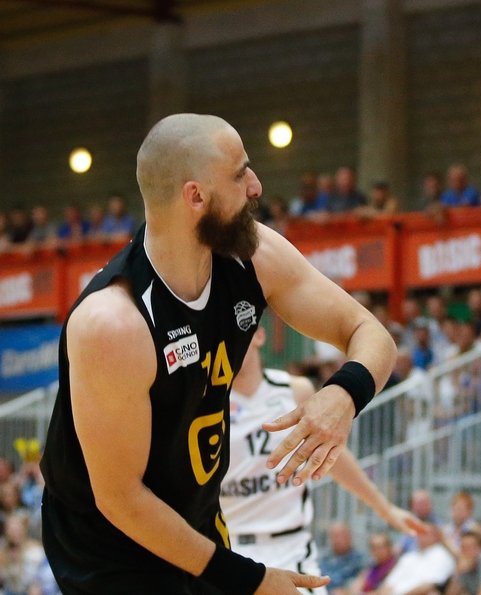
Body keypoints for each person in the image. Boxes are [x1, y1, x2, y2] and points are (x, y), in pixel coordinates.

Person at [39, 113, 398, 595]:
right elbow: (121, 500)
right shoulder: (114, 324)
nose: (256, 186)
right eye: (239, 173)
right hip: (111, 547)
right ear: (196, 196)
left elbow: (369, 332)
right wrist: (252, 580)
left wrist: (343, 395)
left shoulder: (253, 254)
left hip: (198, 517)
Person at [217, 326, 426, 595]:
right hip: (231, 547)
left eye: (238, 333)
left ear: (259, 335)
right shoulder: (209, 400)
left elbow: (334, 457)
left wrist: (384, 507)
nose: (231, 343)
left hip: (291, 548)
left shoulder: (295, 390)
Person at [379, 524, 455, 595]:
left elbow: (428, 586)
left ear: (436, 537)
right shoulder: (408, 557)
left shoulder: (442, 556)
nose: (421, 536)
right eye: (419, 533)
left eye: (425, 533)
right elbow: (388, 584)